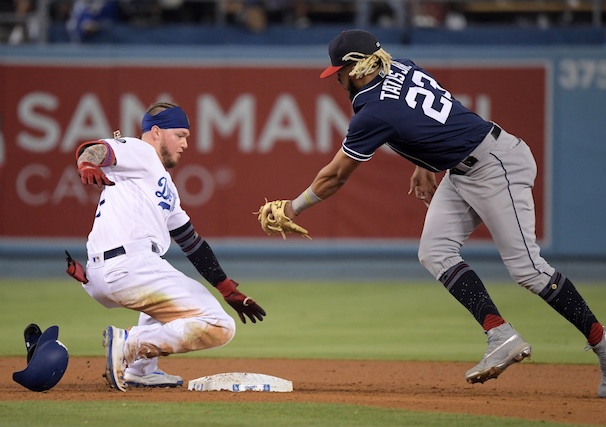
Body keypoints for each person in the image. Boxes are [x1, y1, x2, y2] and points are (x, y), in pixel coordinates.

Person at [259, 29, 606, 397]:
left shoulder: (372, 110)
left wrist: (293, 206)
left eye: (339, 72)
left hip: (496, 165)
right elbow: (437, 115)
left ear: (356, 68)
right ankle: (500, 334)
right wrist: (424, 162)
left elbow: (335, 176)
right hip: (464, 167)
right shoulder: (404, 67)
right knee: (435, 251)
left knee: (529, 271)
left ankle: (603, 346)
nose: (338, 80)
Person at [73, 102, 266, 392]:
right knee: (219, 326)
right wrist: (86, 163)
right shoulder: (141, 151)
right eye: (180, 134)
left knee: (167, 288)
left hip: (109, 271)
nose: (186, 143)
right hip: (129, 265)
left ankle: (140, 370)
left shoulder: (163, 184)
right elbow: (95, 149)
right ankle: (130, 345)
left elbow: (191, 242)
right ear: (156, 132)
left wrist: (226, 287)